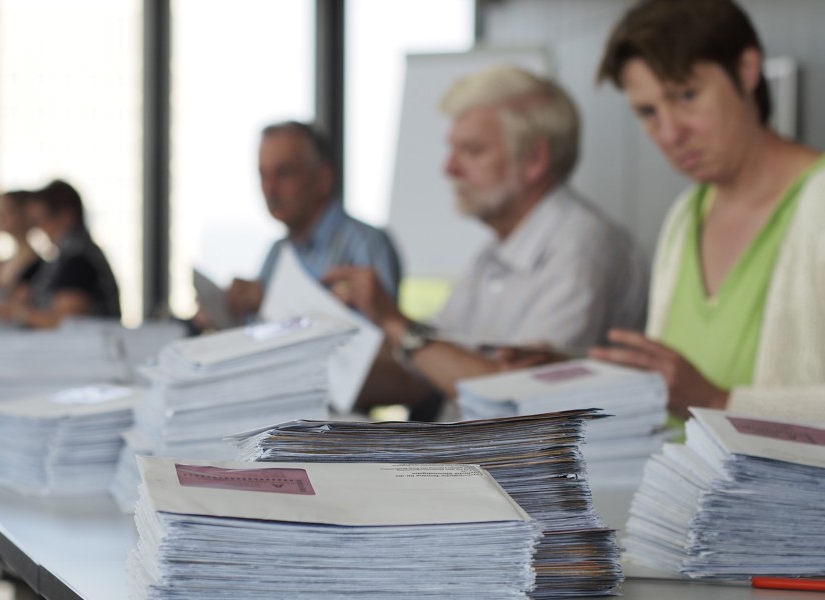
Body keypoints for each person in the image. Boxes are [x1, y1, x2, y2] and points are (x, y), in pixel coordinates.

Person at [325, 66, 648, 417]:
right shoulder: (493, 254)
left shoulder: (580, 249)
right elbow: (420, 376)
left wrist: (397, 324)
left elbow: (521, 398)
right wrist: (312, 365)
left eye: (472, 150)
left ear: (534, 159)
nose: (449, 168)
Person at [592, 0, 825, 424]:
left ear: (747, 69)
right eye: (647, 112)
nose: (669, 133)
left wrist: (718, 401)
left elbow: (701, 397)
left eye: (686, 95)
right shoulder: (685, 216)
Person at [204, 121, 402, 326]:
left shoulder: (364, 244)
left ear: (323, 178)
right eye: (263, 174)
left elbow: (381, 338)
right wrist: (233, 310)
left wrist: (269, 301)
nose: (269, 189)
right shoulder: (277, 252)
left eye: (284, 173)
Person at [0, 179, 121, 328]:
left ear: (66, 216)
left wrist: (21, 313)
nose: (40, 228)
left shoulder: (78, 258)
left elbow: (67, 320)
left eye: (43, 219)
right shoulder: (67, 255)